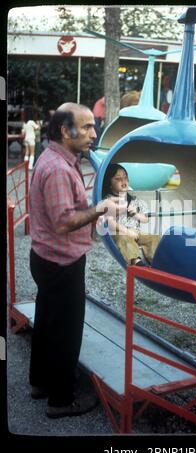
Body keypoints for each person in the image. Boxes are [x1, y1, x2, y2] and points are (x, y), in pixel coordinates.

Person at [29, 102, 126, 419]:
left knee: (46, 323)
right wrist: (102, 208)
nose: (93, 133)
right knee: (66, 332)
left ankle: (40, 383)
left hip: (46, 257)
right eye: (86, 127)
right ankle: (61, 400)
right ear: (63, 130)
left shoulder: (57, 158)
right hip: (61, 263)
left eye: (92, 126)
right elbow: (63, 222)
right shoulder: (57, 169)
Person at [99, 163, 160, 266]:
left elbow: (145, 219)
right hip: (119, 233)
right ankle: (135, 262)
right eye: (118, 179)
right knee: (124, 239)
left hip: (135, 233)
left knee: (154, 238)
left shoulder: (132, 199)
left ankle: (155, 260)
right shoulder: (109, 200)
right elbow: (110, 223)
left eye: (125, 178)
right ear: (109, 183)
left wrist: (136, 214)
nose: (123, 182)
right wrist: (127, 231)